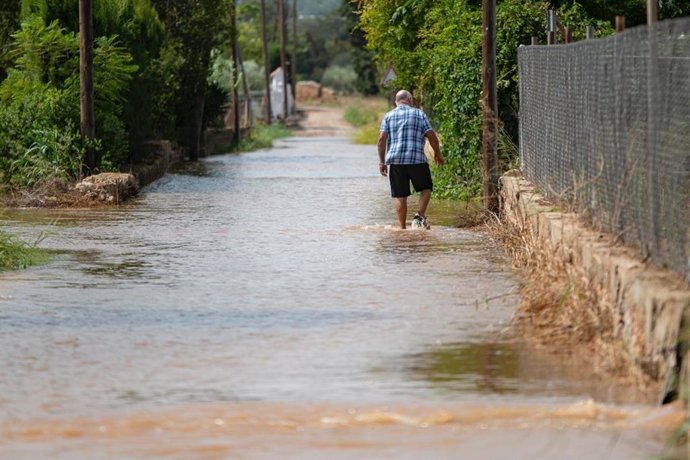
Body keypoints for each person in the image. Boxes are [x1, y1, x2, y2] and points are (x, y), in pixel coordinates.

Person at [377, 90, 444, 229]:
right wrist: (437, 153)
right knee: (426, 188)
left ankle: (402, 229)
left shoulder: (388, 116)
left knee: (400, 196)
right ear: (410, 100)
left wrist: (382, 162)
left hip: (396, 161)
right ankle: (419, 216)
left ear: (396, 101)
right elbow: (431, 135)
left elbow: (381, 139)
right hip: (417, 159)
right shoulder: (419, 114)